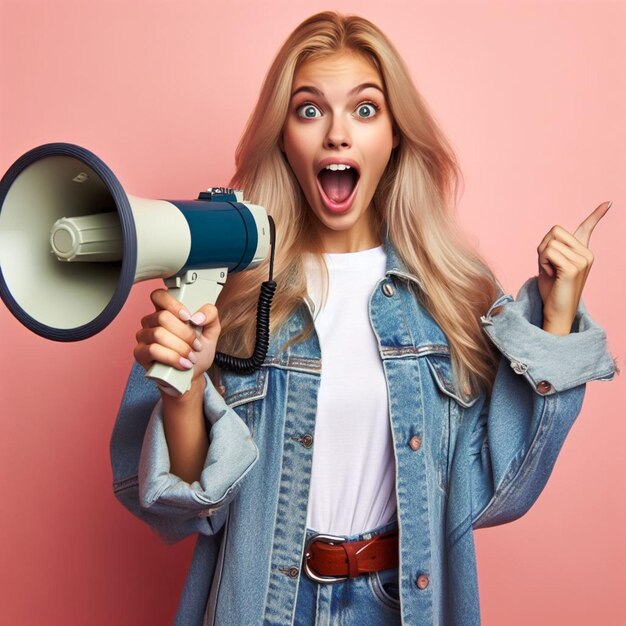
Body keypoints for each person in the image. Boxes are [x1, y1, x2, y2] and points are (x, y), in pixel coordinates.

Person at [110, 11, 615, 626]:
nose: (338, 136)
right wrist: (184, 391)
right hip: (266, 601)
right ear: (284, 137)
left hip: (401, 603)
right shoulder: (231, 292)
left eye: (366, 110)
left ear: (396, 135)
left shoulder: (449, 295)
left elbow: (497, 487)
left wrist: (556, 321)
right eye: (310, 109)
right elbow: (183, 510)